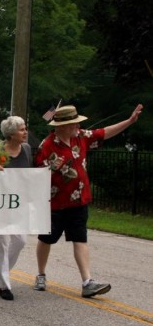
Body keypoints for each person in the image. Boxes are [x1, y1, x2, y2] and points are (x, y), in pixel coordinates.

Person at [34, 104, 143, 298]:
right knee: (46, 239)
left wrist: (129, 121)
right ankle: (41, 274)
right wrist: (51, 166)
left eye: (77, 123)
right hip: (55, 203)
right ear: (62, 126)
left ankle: (87, 282)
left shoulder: (81, 137)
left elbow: (104, 133)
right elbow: (36, 171)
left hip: (79, 201)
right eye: (73, 123)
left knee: (80, 238)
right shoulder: (48, 144)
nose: (77, 126)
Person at [0, 116, 32, 301]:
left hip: (18, 204)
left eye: (25, 128)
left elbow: (30, 173)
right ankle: (4, 285)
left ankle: (3, 271)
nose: (25, 132)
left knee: (21, 240)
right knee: (1, 243)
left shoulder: (26, 149)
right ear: (11, 133)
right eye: (21, 129)